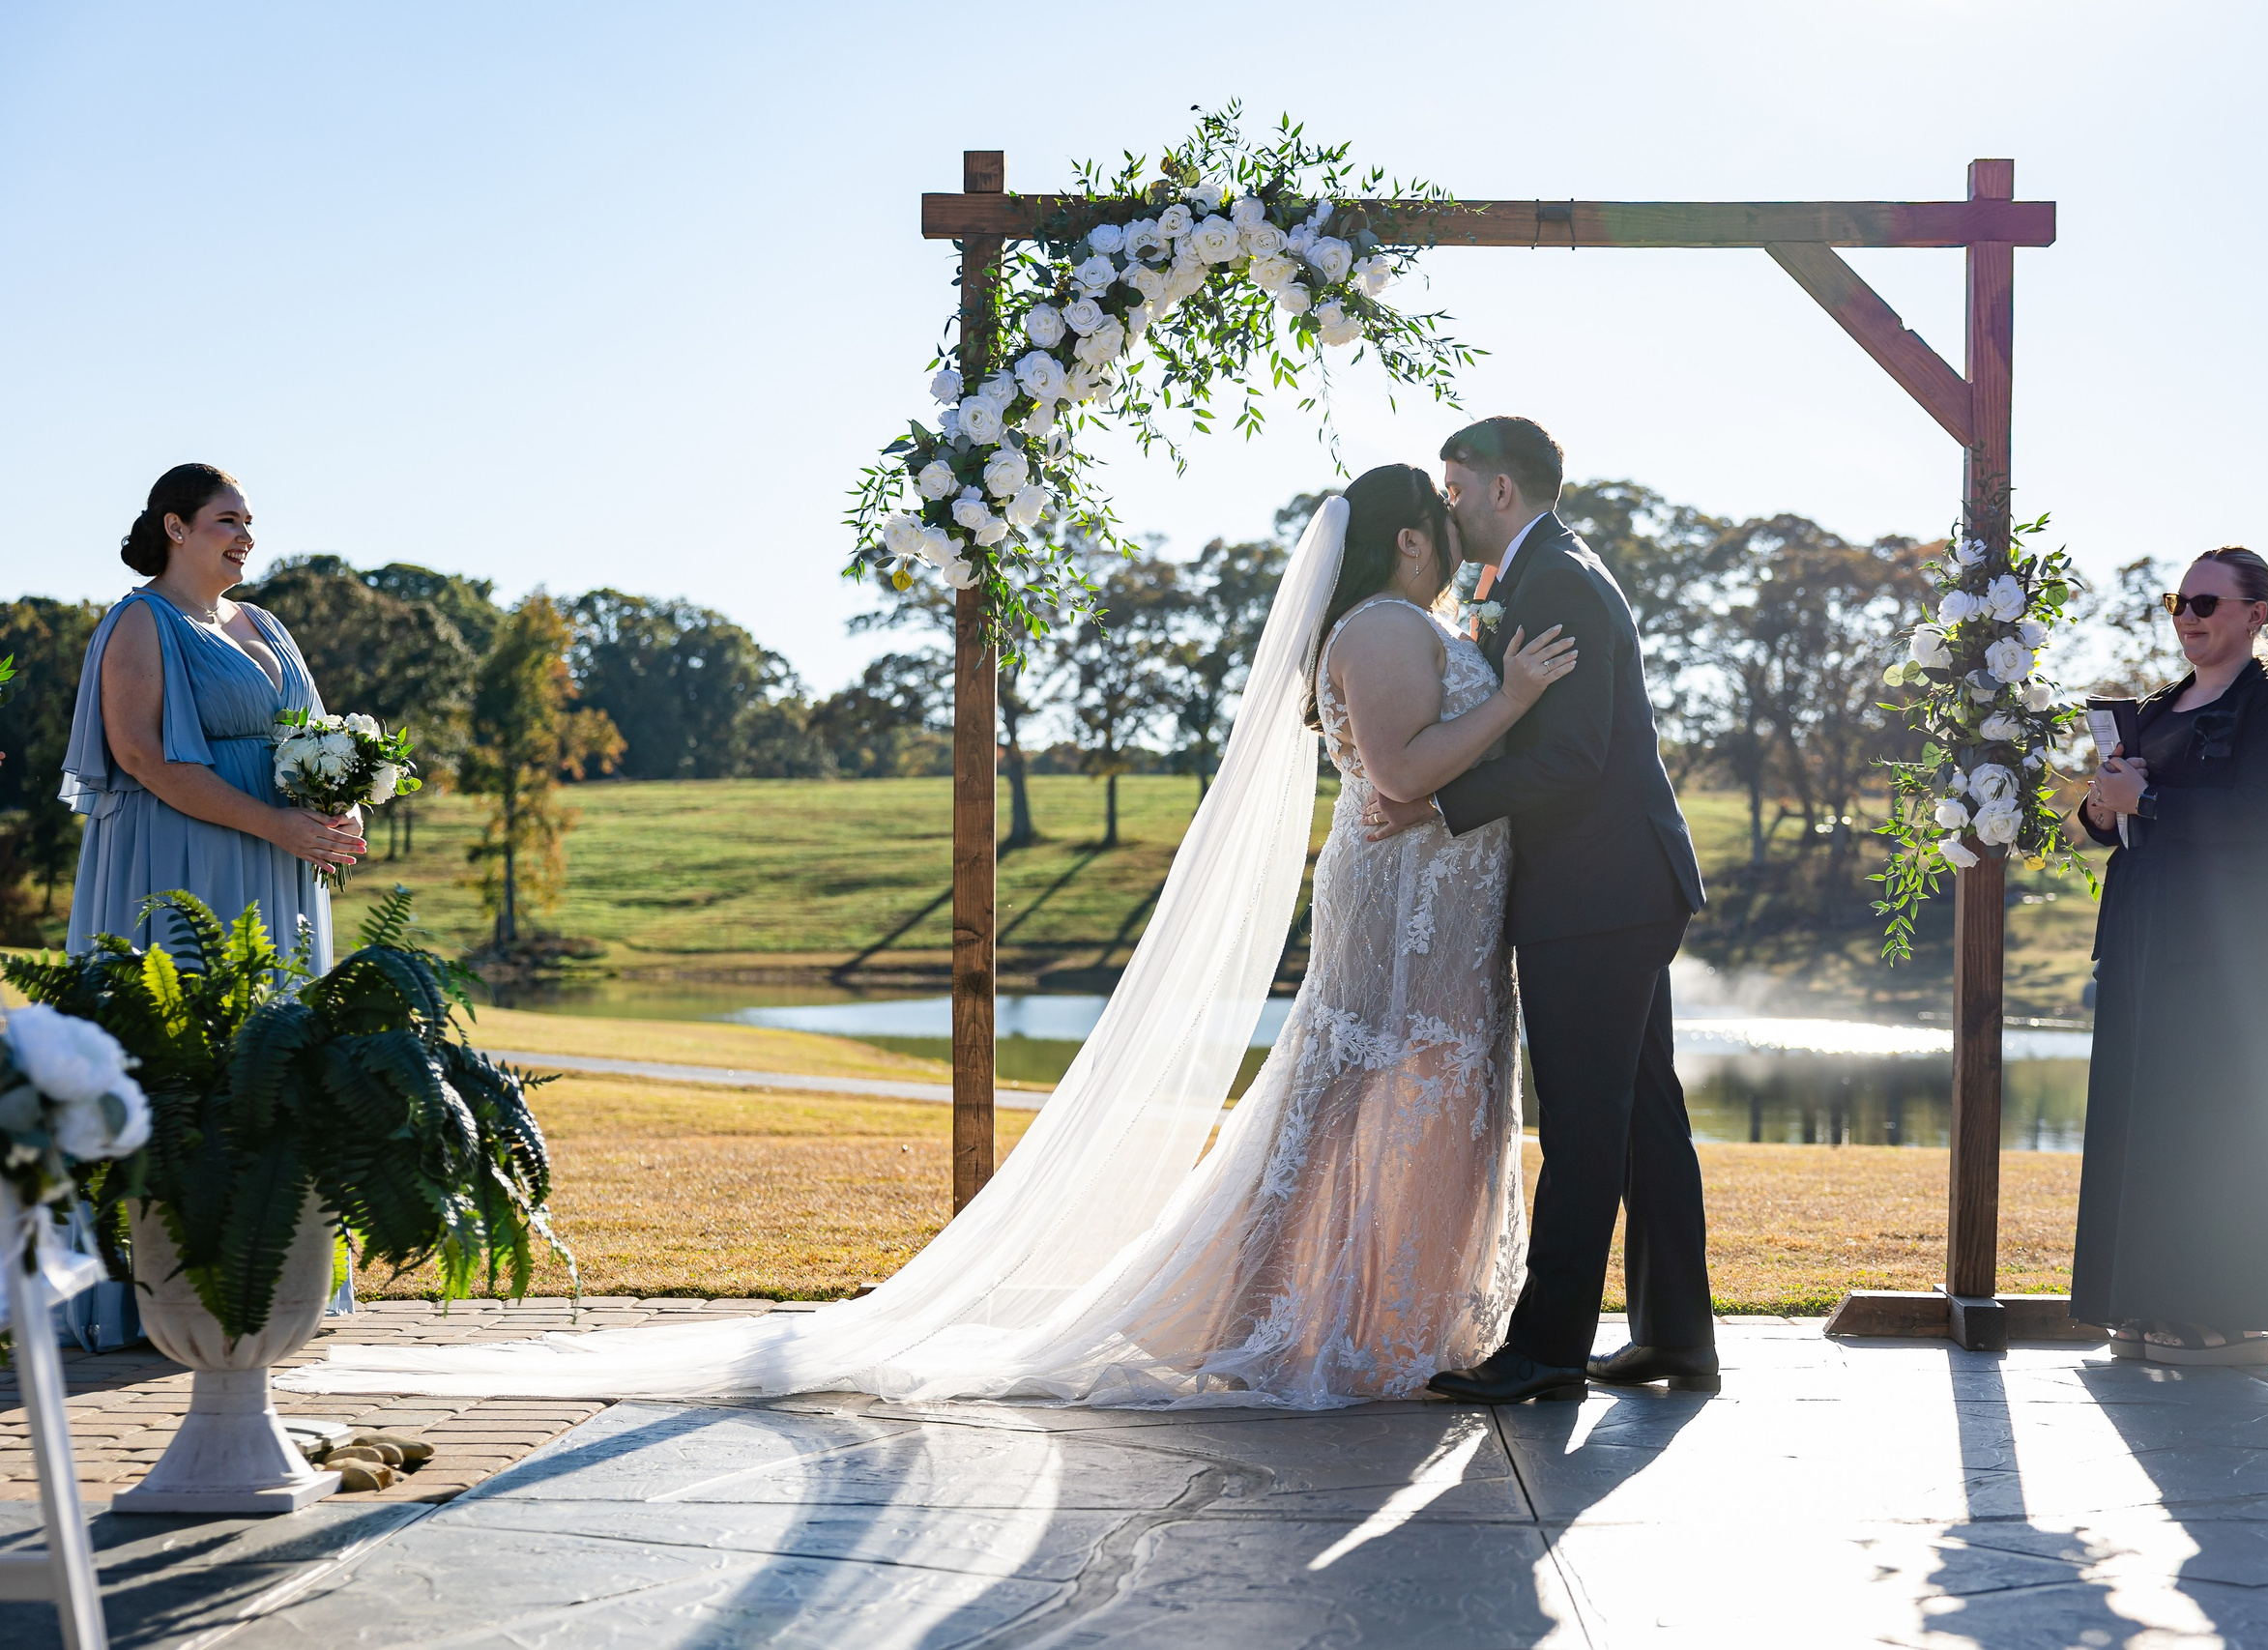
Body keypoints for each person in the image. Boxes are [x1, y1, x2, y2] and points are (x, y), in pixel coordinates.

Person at [283, 466, 1578, 1405]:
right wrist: (1516, 693)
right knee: (1362, 1098)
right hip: (1405, 906)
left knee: (1391, 1099)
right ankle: (1298, 1319)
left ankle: (1375, 1316)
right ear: (1409, 538)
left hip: (1433, 912)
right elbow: (1405, 777)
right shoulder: (1385, 624)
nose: (1459, 545)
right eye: (1445, 529)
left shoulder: (1405, 623)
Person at [1368, 417, 1716, 1404]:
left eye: (1454, 488)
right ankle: (1678, 1342)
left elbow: (1575, 756)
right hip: (1616, 886)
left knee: (1585, 1123)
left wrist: (1438, 804)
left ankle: (1548, 1352)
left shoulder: (1557, 579)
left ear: (1500, 489)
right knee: (1644, 1119)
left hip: (1597, 893)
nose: (1447, 507)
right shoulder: (1543, 571)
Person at [2072, 546, 2268, 1365]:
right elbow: (2103, 826)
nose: (2188, 617)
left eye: (2206, 602)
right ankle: (2146, 1300)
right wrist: (2101, 798)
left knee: (2214, 1122)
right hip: (2145, 942)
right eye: (2178, 602)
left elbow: (2254, 816)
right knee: (2149, 1120)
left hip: (2235, 956)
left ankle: (2225, 1318)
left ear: (2256, 613)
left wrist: (2147, 796)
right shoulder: (2157, 708)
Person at [61, 464, 364, 974]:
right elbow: (139, 753)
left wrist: (343, 805)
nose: (246, 537)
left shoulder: (265, 623)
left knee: (274, 1029)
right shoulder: (141, 619)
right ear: (176, 528)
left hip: (284, 850)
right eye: (228, 520)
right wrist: (273, 823)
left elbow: (321, 736)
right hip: (185, 846)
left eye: (249, 523)